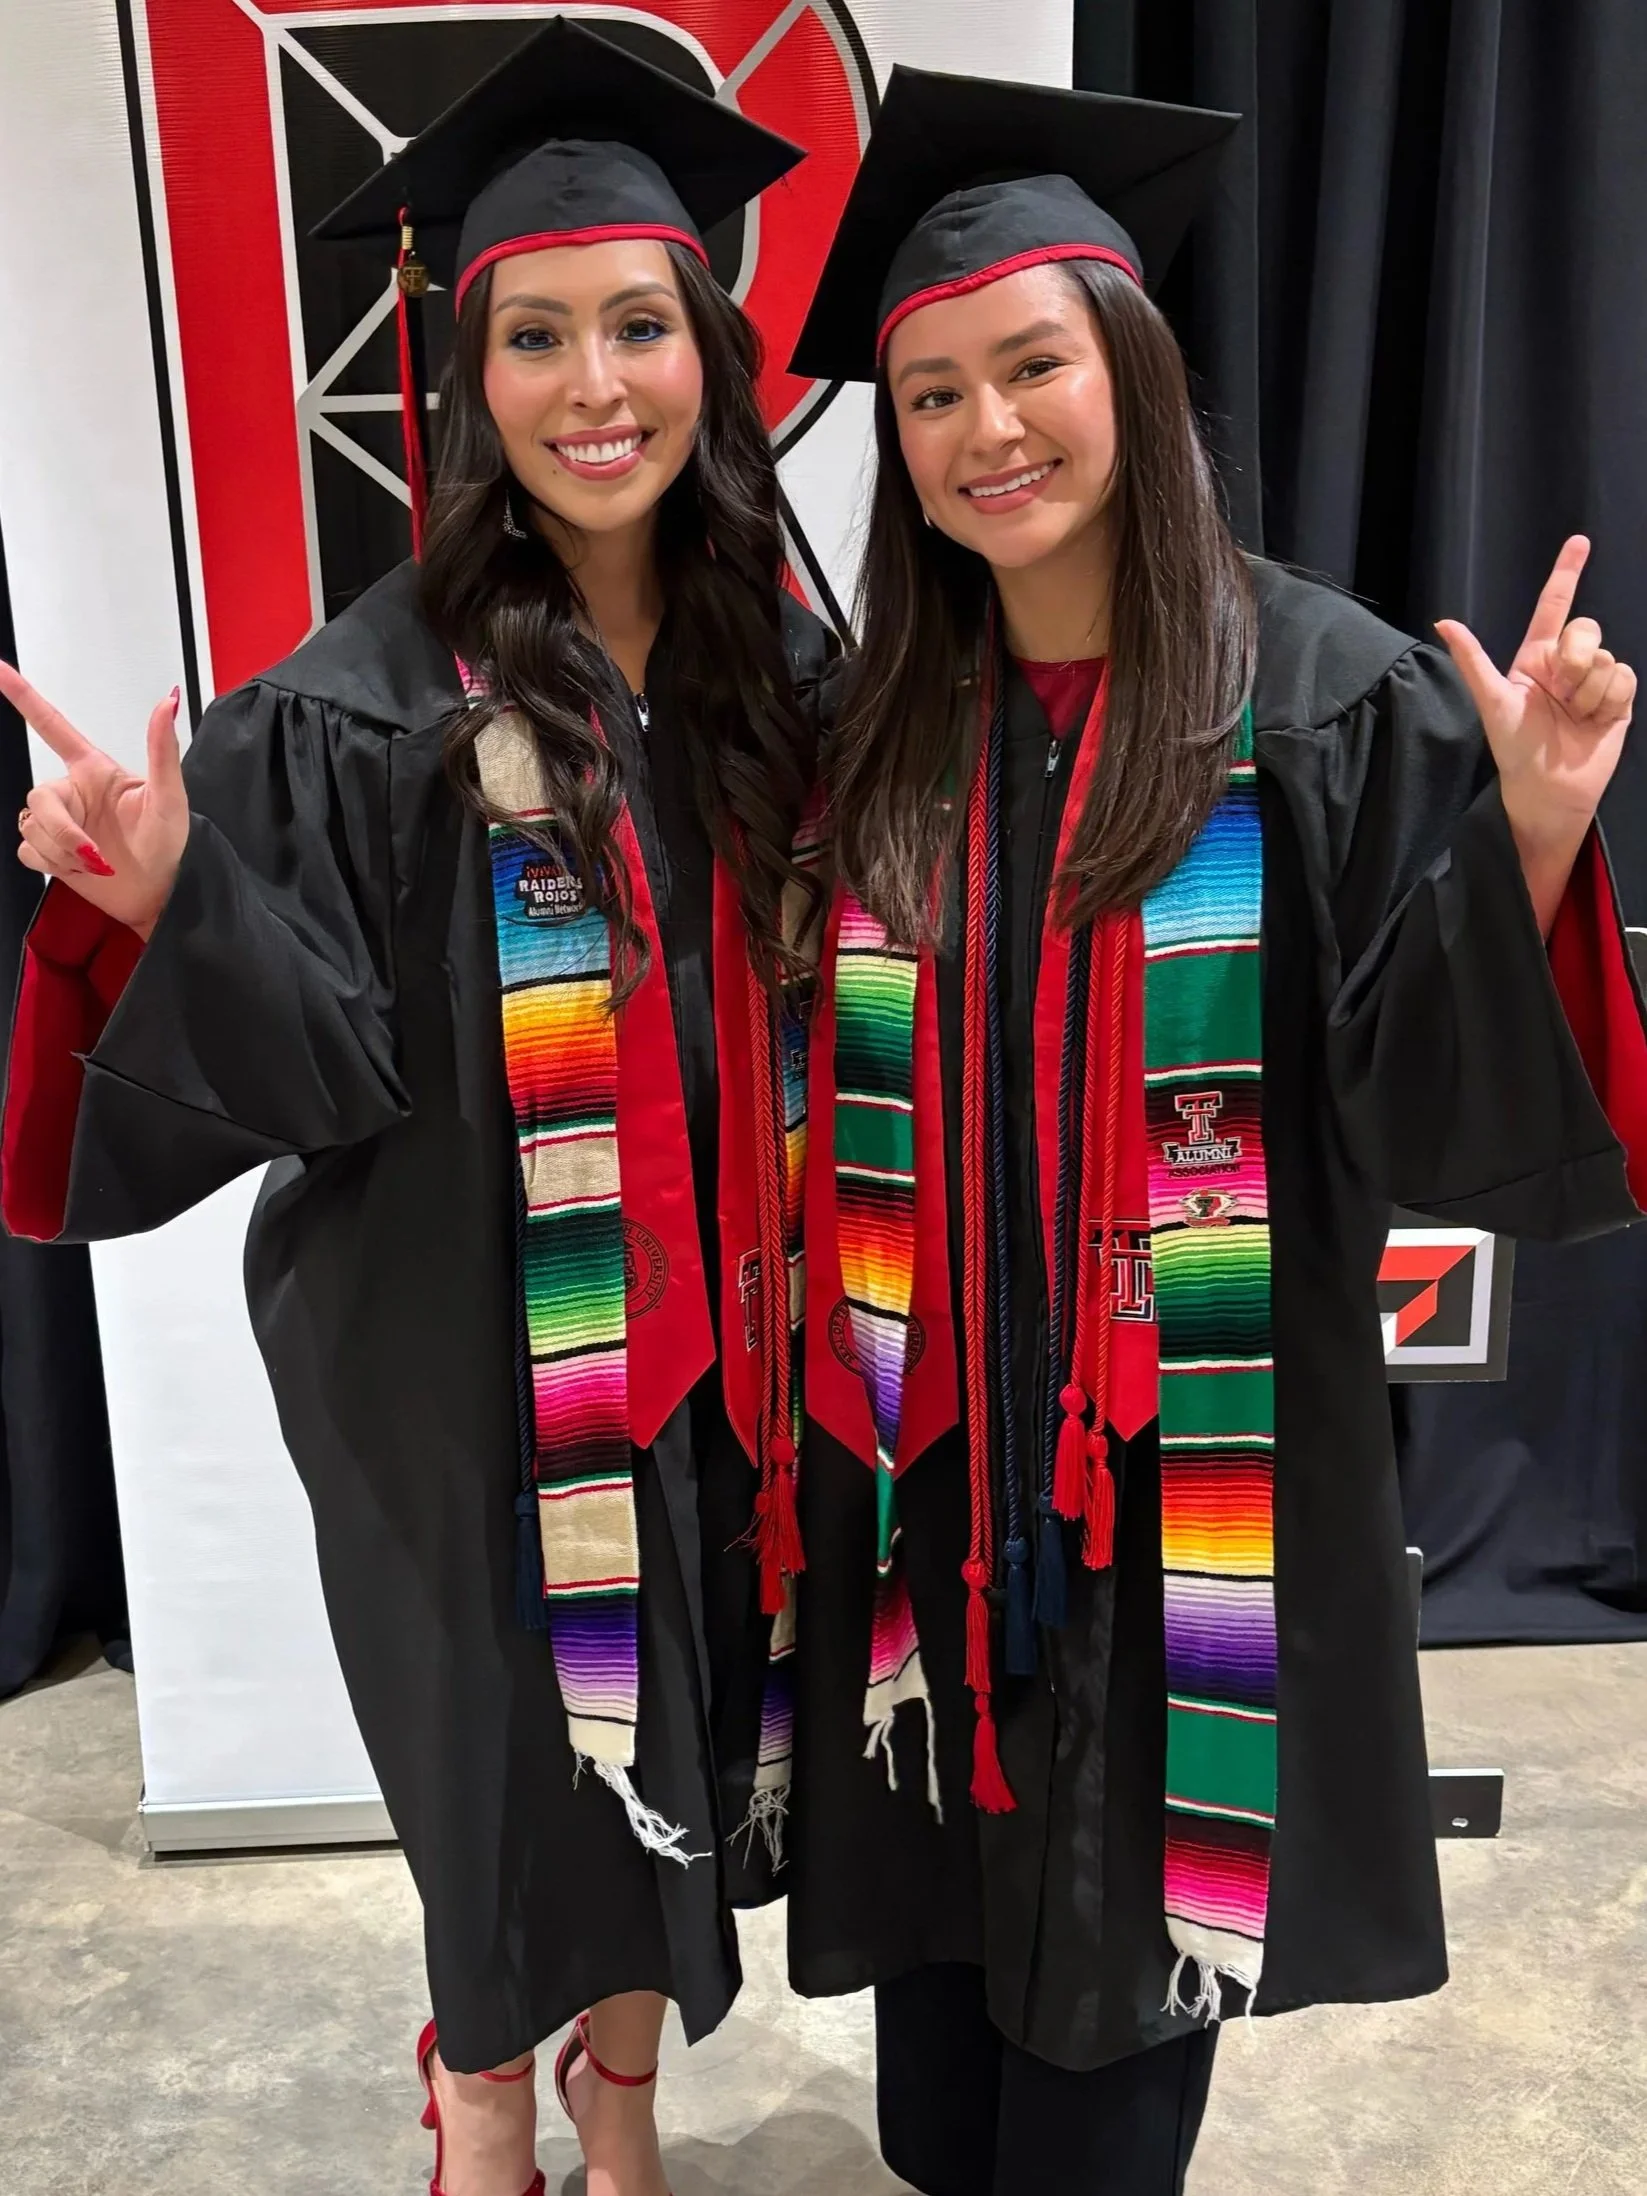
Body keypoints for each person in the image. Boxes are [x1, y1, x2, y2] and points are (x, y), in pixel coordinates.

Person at [779, 65, 1647, 2196]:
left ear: (1131, 369)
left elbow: (1430, 1108)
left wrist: (1528, 826)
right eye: (929, 395)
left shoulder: (1320, 699)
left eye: (1032, 368)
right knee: (937, 2093)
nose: (989, 431)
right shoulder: (872, 723)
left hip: (1186, 1489)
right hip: (922, 1468)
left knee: (1102, 2053)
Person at [0, 23, 833, 2196]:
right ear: (468, 382)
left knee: (688, 1703)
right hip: (444, 1353)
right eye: (535, 337)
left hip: (731, 1335)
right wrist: (170, 897)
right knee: (485, 1748)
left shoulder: (794, 680)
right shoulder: (369, 697)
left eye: (638, 326)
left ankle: (619, 2088)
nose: (593, 385)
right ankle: (478, 2094)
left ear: (707, 352)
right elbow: (321, 1063)